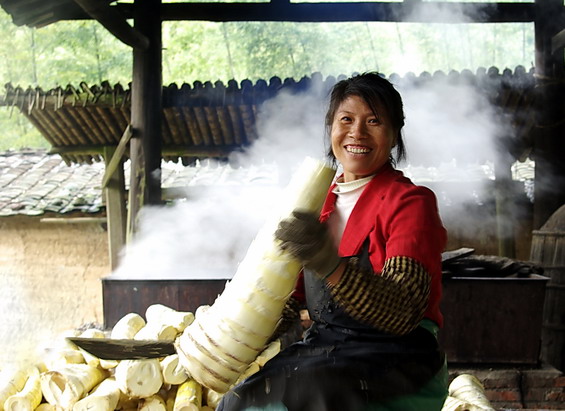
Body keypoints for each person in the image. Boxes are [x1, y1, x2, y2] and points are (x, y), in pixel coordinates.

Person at [218, 72, 448, 411]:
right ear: (331, 128)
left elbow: (402, 312)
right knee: (239, 402)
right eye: (347, 119)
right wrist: (223, 335)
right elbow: (285, 300)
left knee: (300, 397)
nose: (358, 132)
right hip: (328, 350)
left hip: (398, 360)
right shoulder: (318, 204)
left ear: (394, 133)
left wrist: (329, 263)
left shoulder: (410, 202)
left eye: (374, 121)